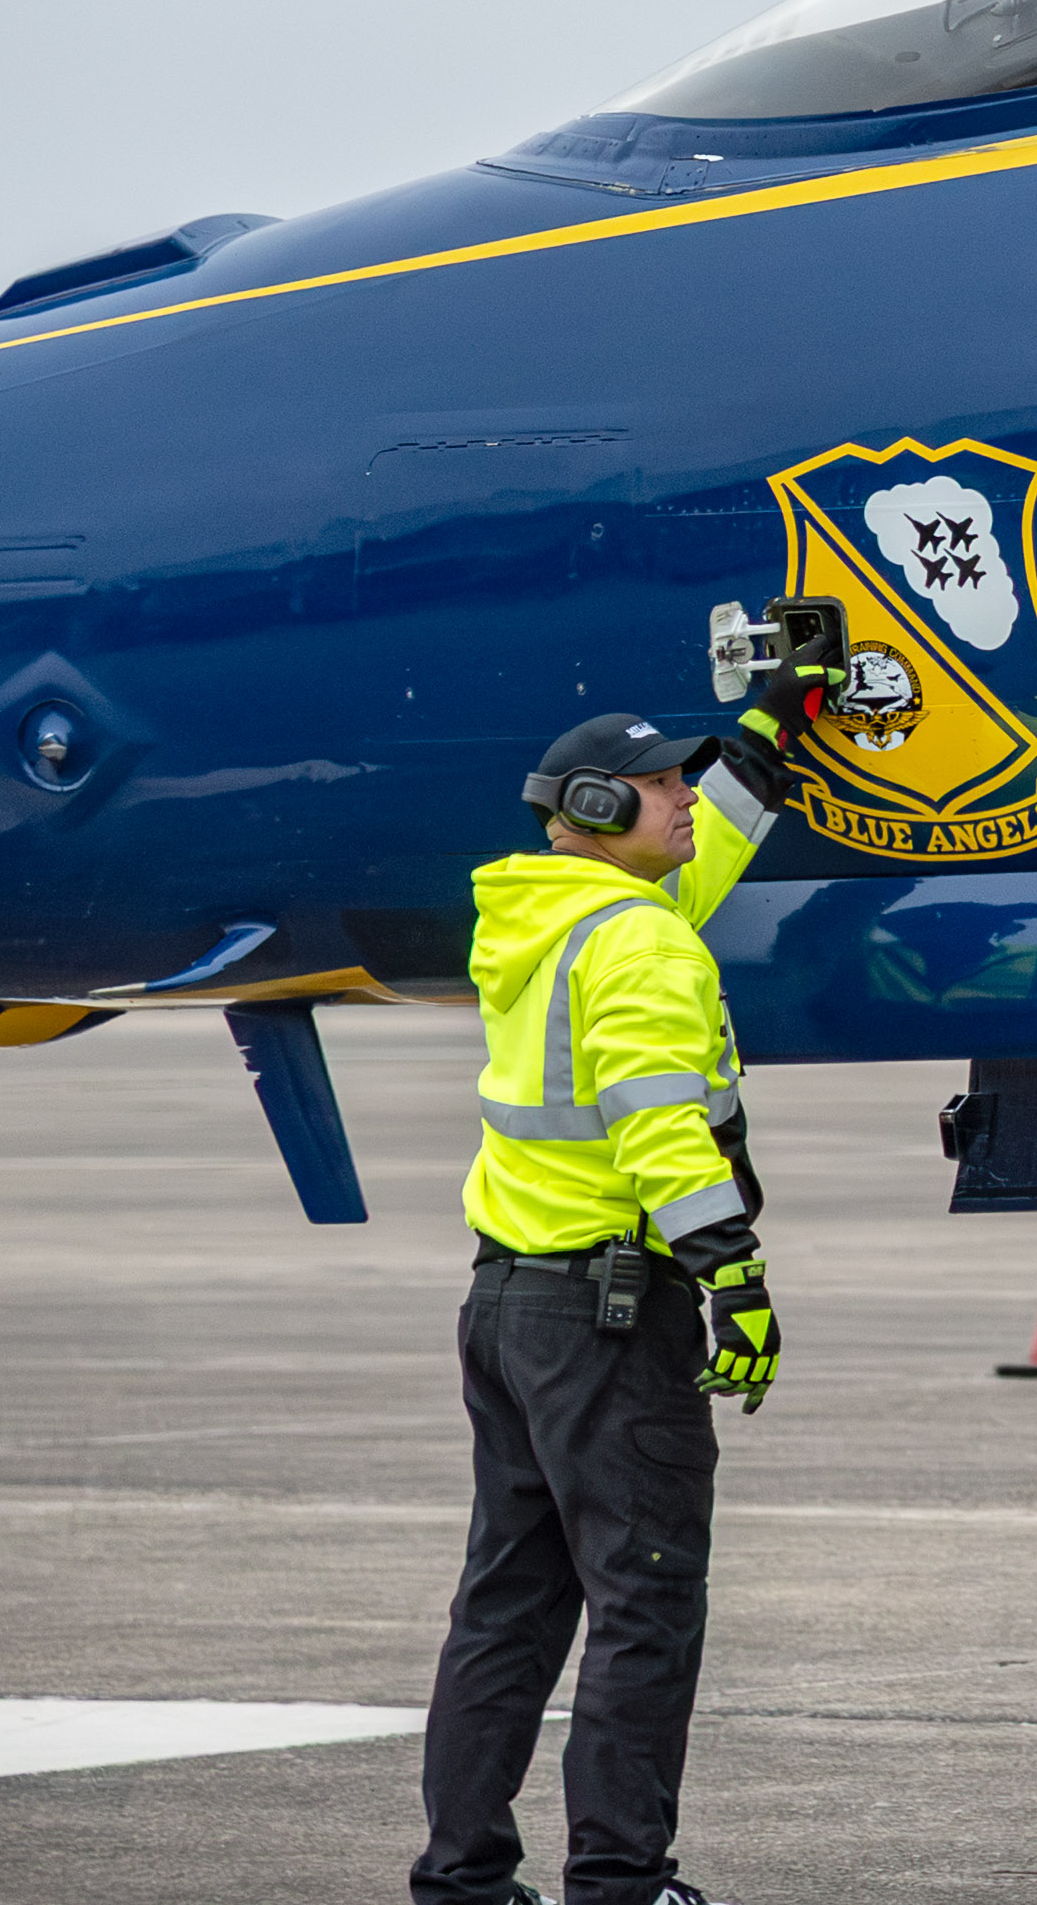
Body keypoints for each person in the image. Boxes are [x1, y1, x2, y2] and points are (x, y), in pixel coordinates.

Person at [413, 682, 816, 1905]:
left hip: (508, 1308)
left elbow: (698, 859)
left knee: (508, 1610)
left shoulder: (555, 918)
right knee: (643, 1603)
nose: (688, 799)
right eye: (664, 785)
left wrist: (768, 738)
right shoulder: (639, 939)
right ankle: (621, 1885)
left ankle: (464, 1881)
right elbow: (658, 1130)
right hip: (611, 1316)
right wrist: (734, 1275)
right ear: (597, 804)